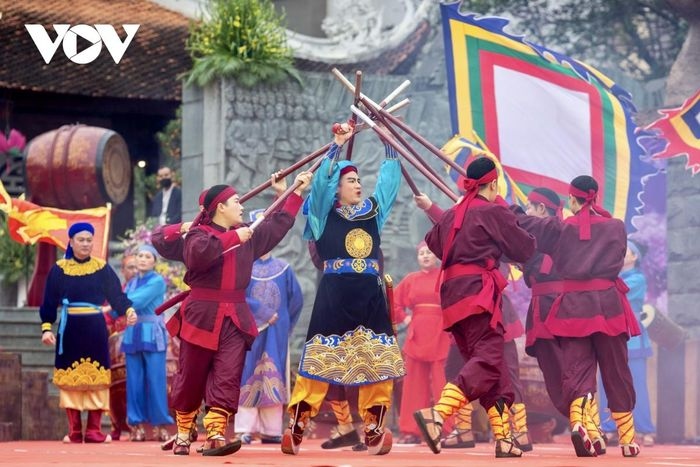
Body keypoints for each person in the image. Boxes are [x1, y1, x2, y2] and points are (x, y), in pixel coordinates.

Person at [165, 171, 312, 456]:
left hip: (235, 314)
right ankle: (184, 432)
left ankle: (216, 433)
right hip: (202, 314)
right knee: (192, 373)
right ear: (220, 207)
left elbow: (275, 227)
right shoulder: (198, 234)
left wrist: (291, 193)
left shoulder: (248, 236)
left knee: (228, 374)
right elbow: (199, 256)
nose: (241, 206)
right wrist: (234, 238)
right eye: (236, 201)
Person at [282, 122, 405, 456]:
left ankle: (375, 426)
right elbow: (319, 187)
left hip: (369, 294)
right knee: (321, 359)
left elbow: (389, 187)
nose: (358, 184)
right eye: (351, 180)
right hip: (335, 293)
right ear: (337, 187)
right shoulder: (322, 214)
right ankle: (297, 424)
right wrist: (336, 145)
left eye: (359, 180)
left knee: (377, 361)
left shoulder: (373, 214)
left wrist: (389, 145)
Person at [412, 157, 535, 458]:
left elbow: (435, 243)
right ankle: (437, 415)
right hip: (479, 294)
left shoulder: (454, 214)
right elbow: (524, 249)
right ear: (493, 184)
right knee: (490, 359)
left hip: (452, 296)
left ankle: (504, 438)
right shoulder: (494, 211)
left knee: (493, 368)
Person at [513, 175, 641, 458]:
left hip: (572, 309)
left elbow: (526, 224)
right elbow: (619, 257)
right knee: (616, 370)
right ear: (594, 197)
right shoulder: (616, 227)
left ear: (572, 199)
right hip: (608, 306)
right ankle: (629, 441)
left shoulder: (560, 229)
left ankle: (581, 423)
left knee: (577, 370)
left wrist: (501, 207)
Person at [40, 222, 137, 443]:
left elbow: (117, 297)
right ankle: (74, 430)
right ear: (71, 242)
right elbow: (48, 302)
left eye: (89, 240)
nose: (85, 243)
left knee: (98, 377)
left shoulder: (102, 268)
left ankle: (93, 430)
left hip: (95, 327)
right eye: (81, 240)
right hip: (70, 328)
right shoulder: (59, 269)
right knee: (69, 378)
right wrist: (46, 328)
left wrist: (129, 310)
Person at [235, 209, 304, 444]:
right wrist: (264, 313)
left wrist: (284, 323)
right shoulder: (243, 266)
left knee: (274, 375)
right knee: (247, 374)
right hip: (250, 330)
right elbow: (237, 295)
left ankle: (271, 430)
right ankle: (245, 428)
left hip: (276, 332)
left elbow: (296, 300)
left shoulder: (284, 269)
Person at [597, 240, 655, 447]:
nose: (620, 254)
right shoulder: (610, 279)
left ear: (634, 257)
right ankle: (609, 428)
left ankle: (644, 429)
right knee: (606, 383)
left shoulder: (637, 279)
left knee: (636, 386)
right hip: (610, 335)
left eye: (625, 251)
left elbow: (614, 293)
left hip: (633, 340)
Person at [393, 241, 450, 445]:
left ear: (436, 257)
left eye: (429, 253)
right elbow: (393, 301)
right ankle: (411, 430)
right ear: (418, 258)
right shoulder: (411, 280)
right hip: (417, 335)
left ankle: (446, 429)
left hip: (440, 334)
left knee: (442, 383)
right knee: (413, 385)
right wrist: (405, 318)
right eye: (422, 254)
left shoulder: (445, 277)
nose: (426, 256)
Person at [118, 244, 174, 441]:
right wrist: (120, 303)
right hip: (133, 331)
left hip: (152, 332)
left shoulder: (158, 281)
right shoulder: (131, 282)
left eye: (147, 256)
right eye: (140, 255)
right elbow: (124, 303)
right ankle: (137, 424)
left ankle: (160, 424)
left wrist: (119, 302)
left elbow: (135, 302)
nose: (142, 259)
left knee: (156, 379)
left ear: (154, 262)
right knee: (133, 380)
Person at [105, 254, 138, 440]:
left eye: (136, 268)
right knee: (116, 389)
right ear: (123, 271)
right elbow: (107, 317)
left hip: (139, 343)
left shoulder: (145, 286)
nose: (133, 271)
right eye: (130, 268)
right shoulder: (115, 293)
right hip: (117, 350)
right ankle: (117, 424)